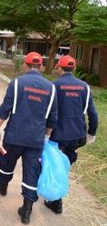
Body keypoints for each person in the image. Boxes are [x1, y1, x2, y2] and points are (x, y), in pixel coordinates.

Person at [0, 52, 58, 224]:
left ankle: (3, 186)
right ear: (41, 66)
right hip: (36, 139)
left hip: (14, 135)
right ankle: (27, 210)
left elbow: (5, 108)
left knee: (7, 163)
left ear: (25, 65)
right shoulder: (51, 88)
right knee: (31, 172)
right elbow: (53, 117)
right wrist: (46, 137)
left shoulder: (17, 83)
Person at [44, 55, 98, 215]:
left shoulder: (54, 86)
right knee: (65, 164)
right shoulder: (85, 87)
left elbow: (47, 112)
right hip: (77, 135)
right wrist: (91, 133)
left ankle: (56, 201)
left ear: (59, 68)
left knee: (55, 165)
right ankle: (56, 197)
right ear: (74, 68)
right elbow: (93, 114)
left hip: (57, 135)